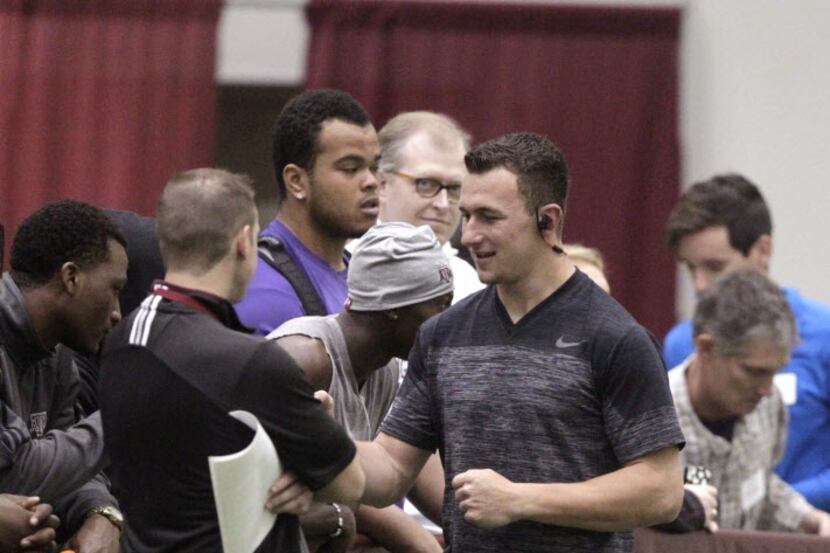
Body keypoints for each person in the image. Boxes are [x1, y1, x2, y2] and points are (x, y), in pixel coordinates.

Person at [355, 132, 685, 552]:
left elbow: (661, 491)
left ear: (547, 220)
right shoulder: (443, 334)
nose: (469, 235)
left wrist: (519, 500)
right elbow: (389, 469)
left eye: (489, 217)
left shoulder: (615, 337)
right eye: (467, 215)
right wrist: (319, 442)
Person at [99, 169, 365, 553]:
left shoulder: (120, 342)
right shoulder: (250, 362)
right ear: (244, 242)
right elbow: (349, 483)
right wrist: (300, 460)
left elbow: (194, 454)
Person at [272, 223, 453, 553]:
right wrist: (340, 520)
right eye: (440, 306)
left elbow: (407, 474)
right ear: (394, 308)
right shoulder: (306, 358)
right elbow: (250, 495)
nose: (450, 322)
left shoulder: (386, 368)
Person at [663, 174, 830, 510]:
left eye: (714, 266)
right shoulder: (681, 344)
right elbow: (684, 459)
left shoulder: (824, 334)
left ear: (763, 250)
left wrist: (776, 505)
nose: (699, 286)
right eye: (690, 268)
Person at [0, 200, 126, 553]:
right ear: (71, 277)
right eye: (114, 289)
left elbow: (68, 464)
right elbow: (16, 472)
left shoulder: (58, 353)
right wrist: (126, 411)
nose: (118, 313)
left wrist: (101, 512)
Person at [668, 269, 830, 534]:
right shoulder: (655, 418)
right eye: (754, 371)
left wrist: (811, 519)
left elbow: (760, 483)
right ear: (706, 348)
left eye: (775, 371)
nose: (767, 389)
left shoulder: (769, 403)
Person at [236, 89, 381, 335]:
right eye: (350, 168)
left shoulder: (362, 277)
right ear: (296, 181)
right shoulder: (265, 289)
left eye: (375, 166)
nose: (371, 181)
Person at [377, 111, 484, 303]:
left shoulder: (471, 288)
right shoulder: (343, 268)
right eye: (426, 184)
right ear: (382, 184)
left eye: (454, 188)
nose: (443, 204)